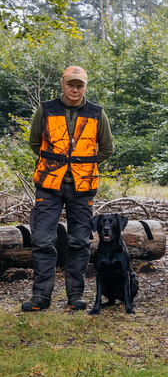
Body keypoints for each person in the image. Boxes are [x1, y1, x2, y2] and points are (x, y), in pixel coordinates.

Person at [22, 66, 114, 312]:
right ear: (62, 84)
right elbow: (35, 142)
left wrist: (81, 165)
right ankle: (41, 296)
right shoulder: (46, 109)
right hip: (49, 186)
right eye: (71, 84)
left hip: (82, 187)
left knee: (79, 242)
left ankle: (75, 295)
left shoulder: (97, 112)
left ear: (85, 86)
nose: (75, 89)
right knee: (42, 239)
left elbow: (106, 148)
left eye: (80, 85)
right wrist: (56, 165)